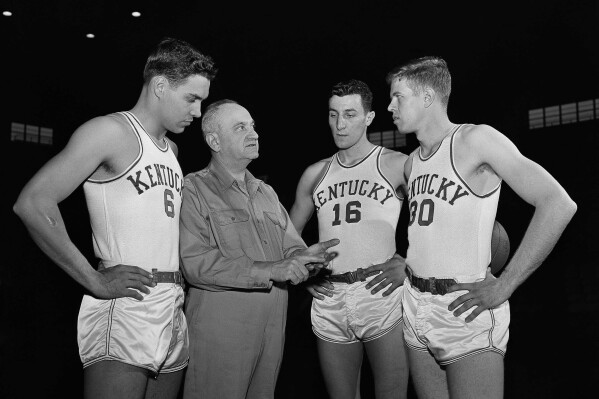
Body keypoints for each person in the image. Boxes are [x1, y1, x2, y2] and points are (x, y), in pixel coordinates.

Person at [13, 37, 217, 399]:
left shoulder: (172, 149)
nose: (198, 111)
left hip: (171, 304)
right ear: (159, 86)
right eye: (192, 98)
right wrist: (94, 279)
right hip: (126, 304)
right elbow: (32, 202)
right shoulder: (110, 131)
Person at [386, 56, 577, 399]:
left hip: (464, 308)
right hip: (415, 305)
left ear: (427, 97)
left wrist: (506, 284)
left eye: (398, 96)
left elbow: (558, 204)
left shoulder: (476, 140)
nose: (390, 106)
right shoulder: (412, 163)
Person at [179, 99, 339, 399]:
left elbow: (291, 245)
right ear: (214, 140)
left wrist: (304, 259)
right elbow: (195, 262)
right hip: (221, 335)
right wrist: (271, 270)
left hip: (272, 333)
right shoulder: (193, 189)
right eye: (240, 127)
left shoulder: (265, 192)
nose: (253, 133)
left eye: (253, 126)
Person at [289, 79, 409, 399]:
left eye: (350, 115)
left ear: (369, 118)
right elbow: (287, 237)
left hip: (379, 291)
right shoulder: (315, 173)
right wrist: (301, 275)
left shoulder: (396, 164)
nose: (340, 125)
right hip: (330, 296)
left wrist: (411, 265)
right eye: (333, 114)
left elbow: (438, 218)